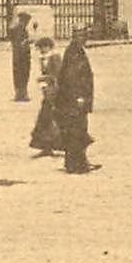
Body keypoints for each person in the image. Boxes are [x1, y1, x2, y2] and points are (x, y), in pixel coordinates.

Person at [55, 25, 97, 174]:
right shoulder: (73, 53)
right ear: (74, 36)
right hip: (74, 100)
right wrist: (78, 97)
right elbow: (71, 78)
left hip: (75, 99)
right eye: (80, 35)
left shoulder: (76, 51)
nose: (84, 38)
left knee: (79, 130)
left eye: (85, 36)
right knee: (76, 130)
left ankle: (79, 162)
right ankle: (76, 164)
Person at [29, 37, 61, 156]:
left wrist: (45, 79)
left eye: (43, 47)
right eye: (40, 48)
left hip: (54, 92)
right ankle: (47, 146)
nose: (41, 50)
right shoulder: (44, 58)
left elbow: (57, 75)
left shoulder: (55, 57)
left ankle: (52, 145)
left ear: (48, 46)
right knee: (46, 119)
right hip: (48, 92)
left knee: (51, 119)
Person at [7, 11, 33, 101]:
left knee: (20, 73)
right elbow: (19, 43)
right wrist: (28, 41)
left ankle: (21, 93)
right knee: (22, 74)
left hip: (20, 55)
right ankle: (21, 94)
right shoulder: (19, 29)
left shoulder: (18, 28)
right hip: (21, 55)